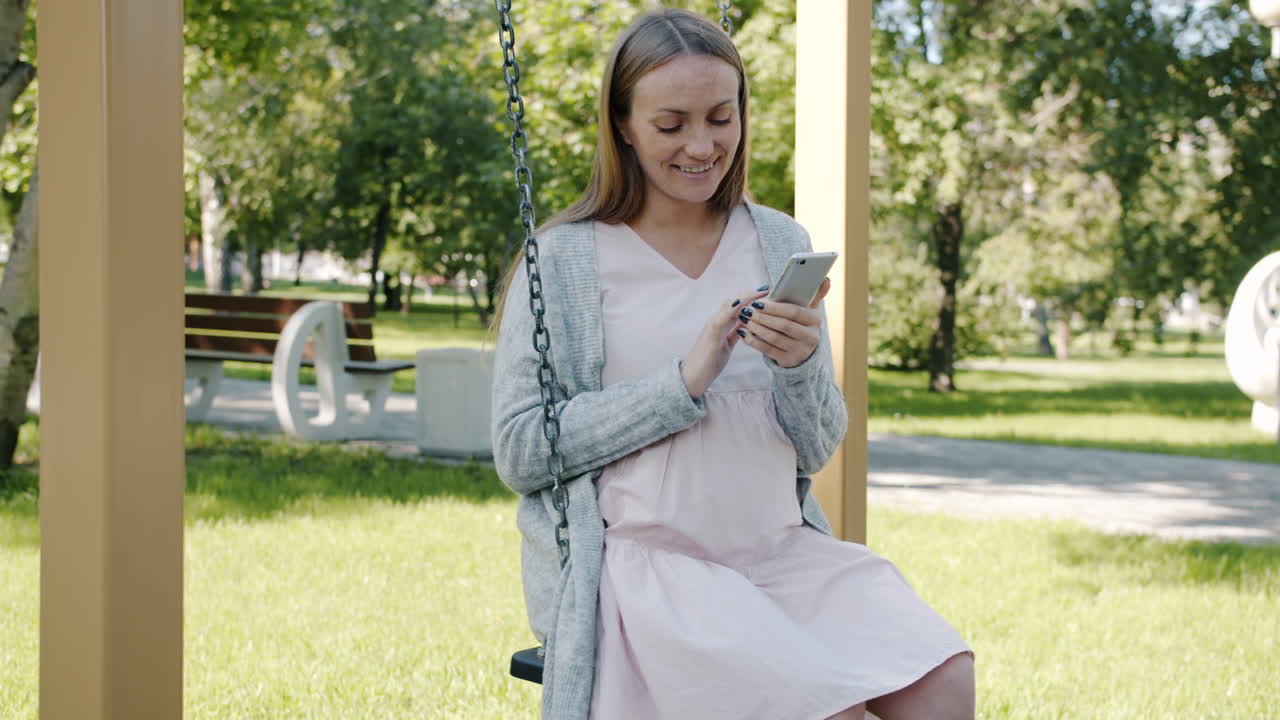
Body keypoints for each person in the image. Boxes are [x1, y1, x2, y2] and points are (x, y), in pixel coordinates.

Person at [491, 8, 973, 720]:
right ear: (623, 125)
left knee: (944, 680)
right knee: (828, 711)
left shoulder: (778, 240)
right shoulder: (564, 258)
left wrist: (800, 365)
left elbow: (817, 446)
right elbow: (521, 451)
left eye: (721, 117)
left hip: (779, 554)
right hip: (651, 571)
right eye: (671, 124)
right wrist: (682, 383)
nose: (701, 145)